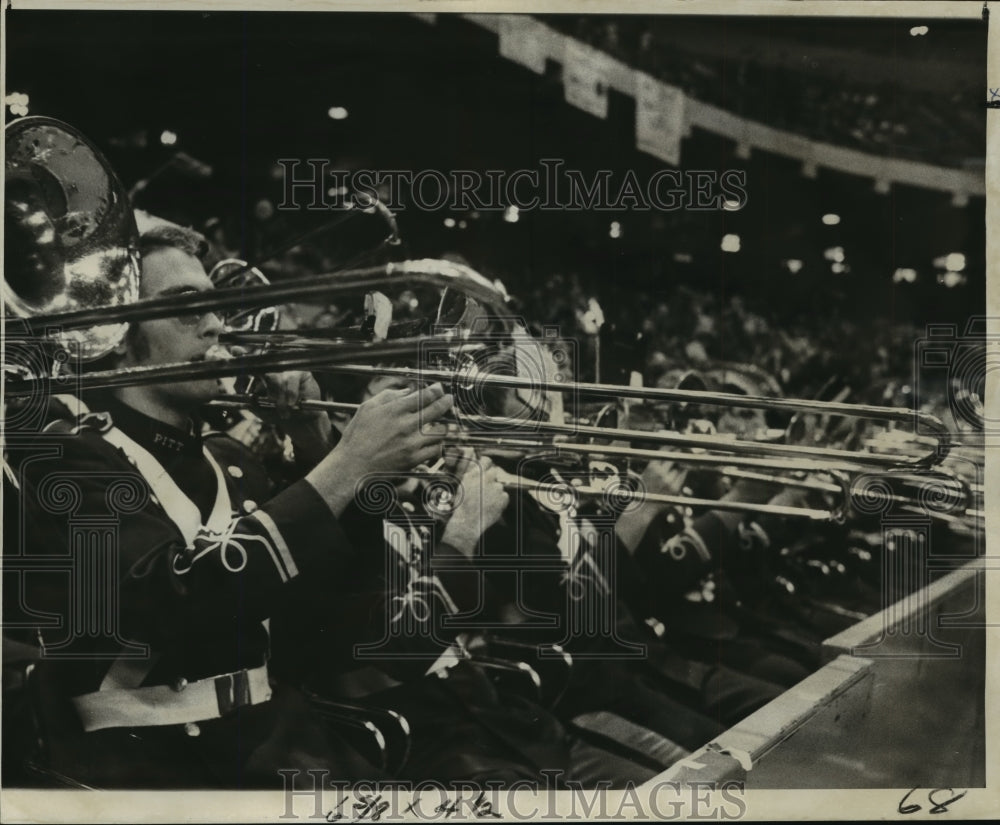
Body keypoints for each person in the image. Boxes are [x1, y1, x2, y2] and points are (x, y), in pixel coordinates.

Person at [4, 224, 455, 788]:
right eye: (188, 306)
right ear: (114, 330)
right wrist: (347, 467)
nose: (218, 323)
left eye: (217, 306)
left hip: (277, 740)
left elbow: (346, 626)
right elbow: (172, 606)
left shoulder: (231, 460)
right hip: (151, 765)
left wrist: (317, 439)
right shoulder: (66, 457)